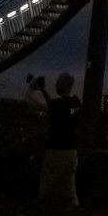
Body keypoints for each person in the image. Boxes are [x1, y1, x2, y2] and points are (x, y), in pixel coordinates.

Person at [28, 72, 81, 205]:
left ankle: (43, 213)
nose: (56, 84)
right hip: (72, 152)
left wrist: (31, 87)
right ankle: (74, 213)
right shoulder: (76, 102)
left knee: (46, 188)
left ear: (62, 84)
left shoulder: (58, 105)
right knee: (69, 189)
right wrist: (43, 89)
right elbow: (55, 105)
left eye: (58, 82)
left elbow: (34, 103)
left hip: (56, 151)